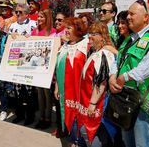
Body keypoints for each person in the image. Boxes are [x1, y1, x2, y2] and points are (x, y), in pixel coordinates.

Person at [109, 0, 149, 147]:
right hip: (126, 99)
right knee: (128, 142)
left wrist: (124, 77)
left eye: (132, 13)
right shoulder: (129, 39)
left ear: (146, 17)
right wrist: (112, 76)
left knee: (143, 143)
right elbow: (118, 60)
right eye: (128, 13)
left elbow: (148, 68)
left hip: (143, 103)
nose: (128, 17)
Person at [77, 22, 117, 147]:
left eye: (93, 34)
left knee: (94, 137)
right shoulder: (96, 52)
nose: (90, 37)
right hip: (87, 100)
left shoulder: (104, 54)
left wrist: (93, 103)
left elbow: (102, 81)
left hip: (98, 104)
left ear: (102, 36)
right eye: (89, 34)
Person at [54, 17, 89, 146]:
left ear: (77, 29)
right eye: (65, 28)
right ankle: (73, 139)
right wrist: (57, 87)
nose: (66, 30)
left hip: (79, 92)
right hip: (64, 91)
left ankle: (77, 141)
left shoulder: (86, 45)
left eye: (69, 27)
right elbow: (58, 67)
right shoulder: (64, 46)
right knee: (67, 114)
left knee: (77, 117)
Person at [8, 3, 37, 126]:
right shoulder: (12, 26)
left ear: (26, 13)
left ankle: (30, 117)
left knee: (30, 92)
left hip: (29, 64)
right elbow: (8, 42)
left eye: (20, 12)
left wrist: (30, 37)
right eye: (16, 12)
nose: (17, 14)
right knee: (17, 92)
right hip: (16, 64)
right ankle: (19, 115)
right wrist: (11, 36)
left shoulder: (33, 25)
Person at [31, 9, 56, 129]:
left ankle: (48, 118)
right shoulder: (34, 31)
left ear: (47, 18)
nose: (39, 19)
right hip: (36, 68)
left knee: (47, 94)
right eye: (38, 17)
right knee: (40, 94)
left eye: (42, 17)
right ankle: (41, 118)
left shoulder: (52, 32)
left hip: (46, 68)